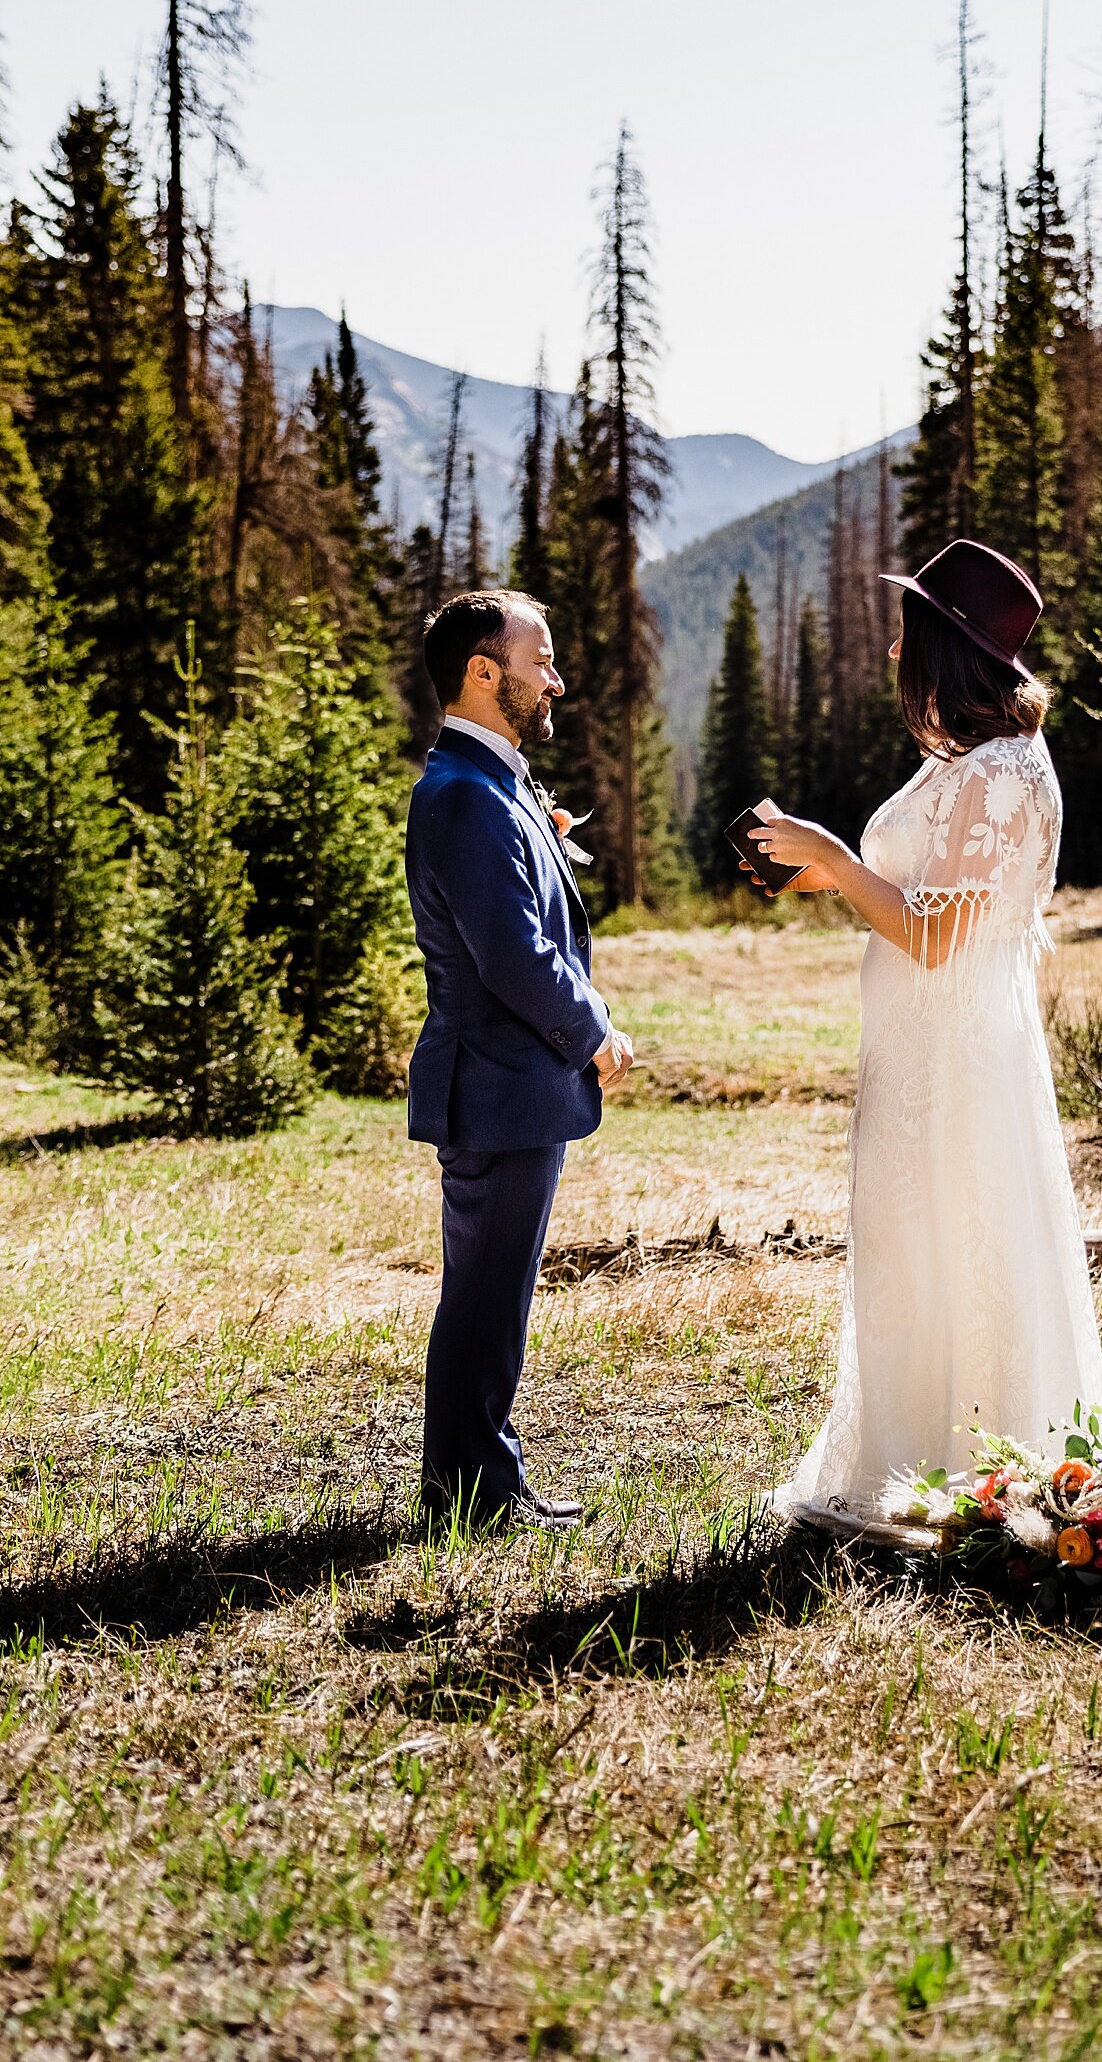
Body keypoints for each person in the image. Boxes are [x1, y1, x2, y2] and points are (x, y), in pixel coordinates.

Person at [745, 538, 1102, 1511]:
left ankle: (962, 1471)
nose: (898, 650)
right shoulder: (968, 762)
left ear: (943, 649)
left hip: (956, 1058)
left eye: (910, 631)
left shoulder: (999, 772)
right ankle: (919, 1459)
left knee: (959, 1243)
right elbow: (918, 896)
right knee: (918, 1250)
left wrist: (830, 846)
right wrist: (810, 866)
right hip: (921, 1050)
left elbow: (937, 935)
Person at [405, 588, 634, 1528]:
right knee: (485, 1300)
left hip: (510, 1087)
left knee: (494, 1295)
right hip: (497, 1085)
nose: (557, 677)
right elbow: (514, 957)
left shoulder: (489, 783)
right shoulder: (461, 794)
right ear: (482, 672)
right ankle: (472, 1494)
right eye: (540, 659)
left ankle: (481, 1479)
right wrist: (596, 1031)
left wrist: (545, 839)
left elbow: (514, 909)